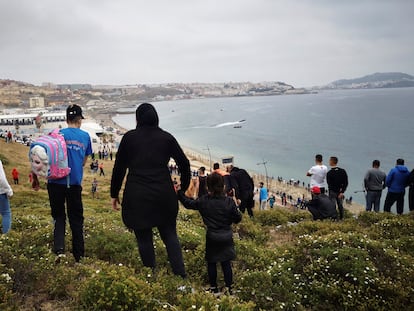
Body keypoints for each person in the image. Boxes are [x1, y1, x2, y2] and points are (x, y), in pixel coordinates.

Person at [110, 103, 191, 278]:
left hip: (137, 196)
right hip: (164, 195)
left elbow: (119, 168)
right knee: (170, 235)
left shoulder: (129, 138)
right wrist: (183, 187)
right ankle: (181, 278)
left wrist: (114, 194)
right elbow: (184, 163)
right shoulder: (166, 138)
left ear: (137, 119)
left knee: (144, 238)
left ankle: (151, 278)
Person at [177, 172, 242, 295]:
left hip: (212, 236)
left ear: (208, 187)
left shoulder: (204, 201)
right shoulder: (228, 202)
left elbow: (188, 203)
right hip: (227, 236)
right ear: (223, 186)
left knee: (211, 262)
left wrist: (179, 193)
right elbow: (238, 218)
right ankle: (229, 289)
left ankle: (214, 289)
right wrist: (234, 201)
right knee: (226, 263)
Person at [47, 104, 92, 262]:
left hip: (54, 182)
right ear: (79, 120)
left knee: (58, 216)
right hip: (73, 184)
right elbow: (84, 161)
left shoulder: (56, 134)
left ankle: (59, 250)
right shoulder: (85, 136)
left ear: (66, 119)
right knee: (76, 219)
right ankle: (78, 256)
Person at [0, 159, 13, 234]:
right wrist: (9, 190)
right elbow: (1, 179)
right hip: (1, 192)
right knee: (6, 213)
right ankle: (6, 235)